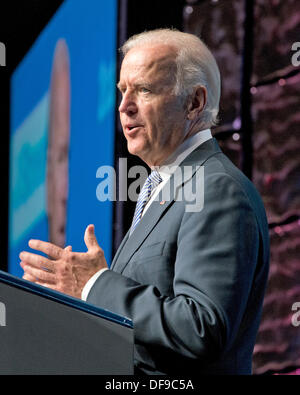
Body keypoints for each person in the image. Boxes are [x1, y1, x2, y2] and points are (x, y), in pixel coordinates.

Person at [19, 29, 270, 375]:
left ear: (194, 103)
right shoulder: (162, 189)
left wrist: (95, 284)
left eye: (144, 90)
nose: (124, 106)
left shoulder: (217, 189)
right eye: (122, 91)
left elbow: (202, 326)